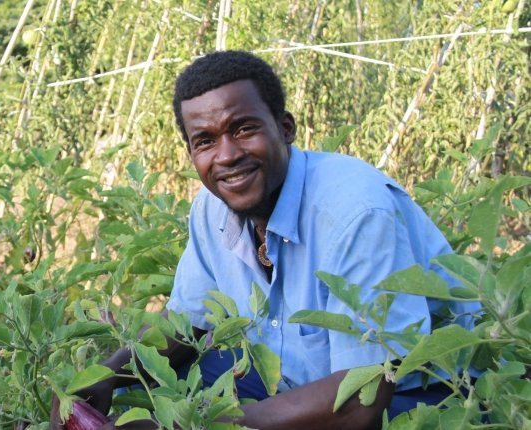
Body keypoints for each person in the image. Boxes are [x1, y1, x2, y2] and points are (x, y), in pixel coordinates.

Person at [52, 51, 478, 430]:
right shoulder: (212, 206)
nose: (227, 155)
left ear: (285, 128)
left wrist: (206, 423)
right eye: (205, 141)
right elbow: (188, 328)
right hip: (293, 379)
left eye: (243, 129)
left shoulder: (355, 214)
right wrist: (102, 376)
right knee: (155, 382)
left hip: (417, 393)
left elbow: (363, 398)